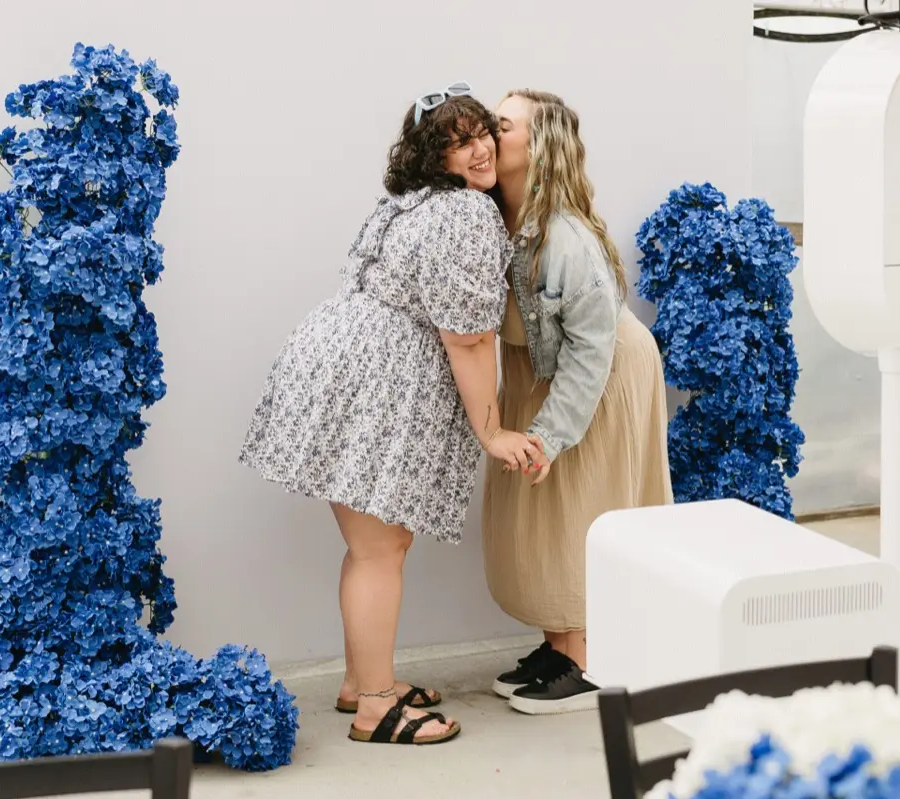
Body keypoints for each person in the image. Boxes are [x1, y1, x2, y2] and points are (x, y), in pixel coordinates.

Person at [240, 84, 544, 745]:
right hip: (367, 382)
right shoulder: (465, 214)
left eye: (483, 132)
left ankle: (360, 679)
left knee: (372, 544)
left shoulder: (408, 205)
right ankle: (379, 704)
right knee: (380, 546)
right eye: (458, 141)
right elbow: (467, 335)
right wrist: (490, 429)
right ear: (432, 156)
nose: (481, 147)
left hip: (335, 367)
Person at [481, 90, 674, 715]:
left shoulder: (565, 239)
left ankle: (586, 661)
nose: (486, 132)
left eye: (501, 125)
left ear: (537, 148)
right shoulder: (496, 221)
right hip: (544, 373)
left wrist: (553, 435)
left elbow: (591, 351)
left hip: (600, 376)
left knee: (579, 506)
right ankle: (559, 644)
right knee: (539, 517)